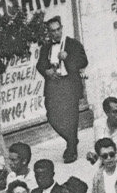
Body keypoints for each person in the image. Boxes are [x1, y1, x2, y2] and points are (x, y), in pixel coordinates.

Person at [37, 15, 89, 162]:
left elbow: (84, 61)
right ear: (49, 33)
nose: (56, 33)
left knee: (71, 117)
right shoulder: (46, 47)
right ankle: (71, 140)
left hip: (70, 85)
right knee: (52, 117)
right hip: (53, 86)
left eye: (58, 29)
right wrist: (46, 71)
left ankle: (71, 150)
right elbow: (40, 65)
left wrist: (68, 58)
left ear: (62, 28)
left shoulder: (73, 44)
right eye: (52, 31)